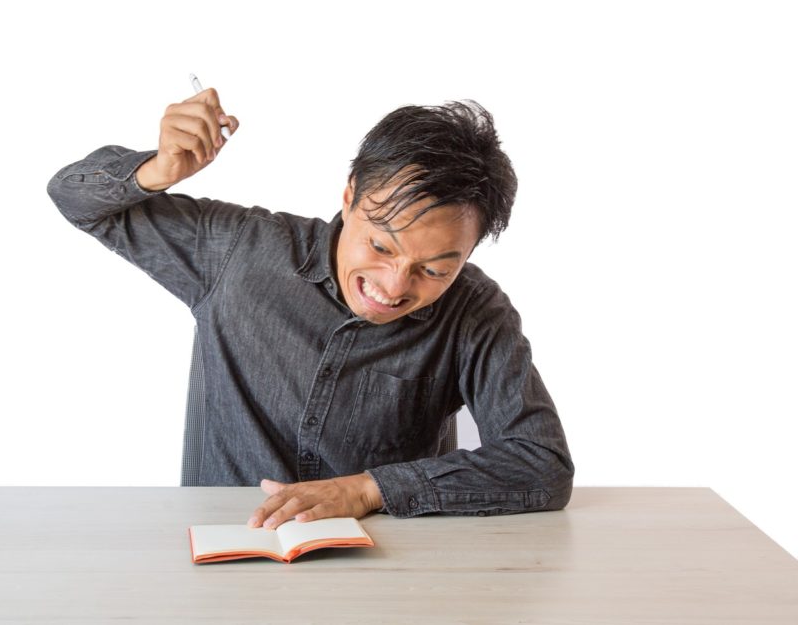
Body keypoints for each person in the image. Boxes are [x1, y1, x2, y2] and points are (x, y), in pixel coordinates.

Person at [46, 88, 574, 530]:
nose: (394, 286)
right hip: (228, 552)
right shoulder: (239, 251)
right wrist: (156, 169)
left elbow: (542, 462)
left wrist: (368, 490)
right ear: (349, 196)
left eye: (434, 269)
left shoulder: (474, 310)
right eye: (381, 246)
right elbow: (73, 197)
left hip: (386, 572)